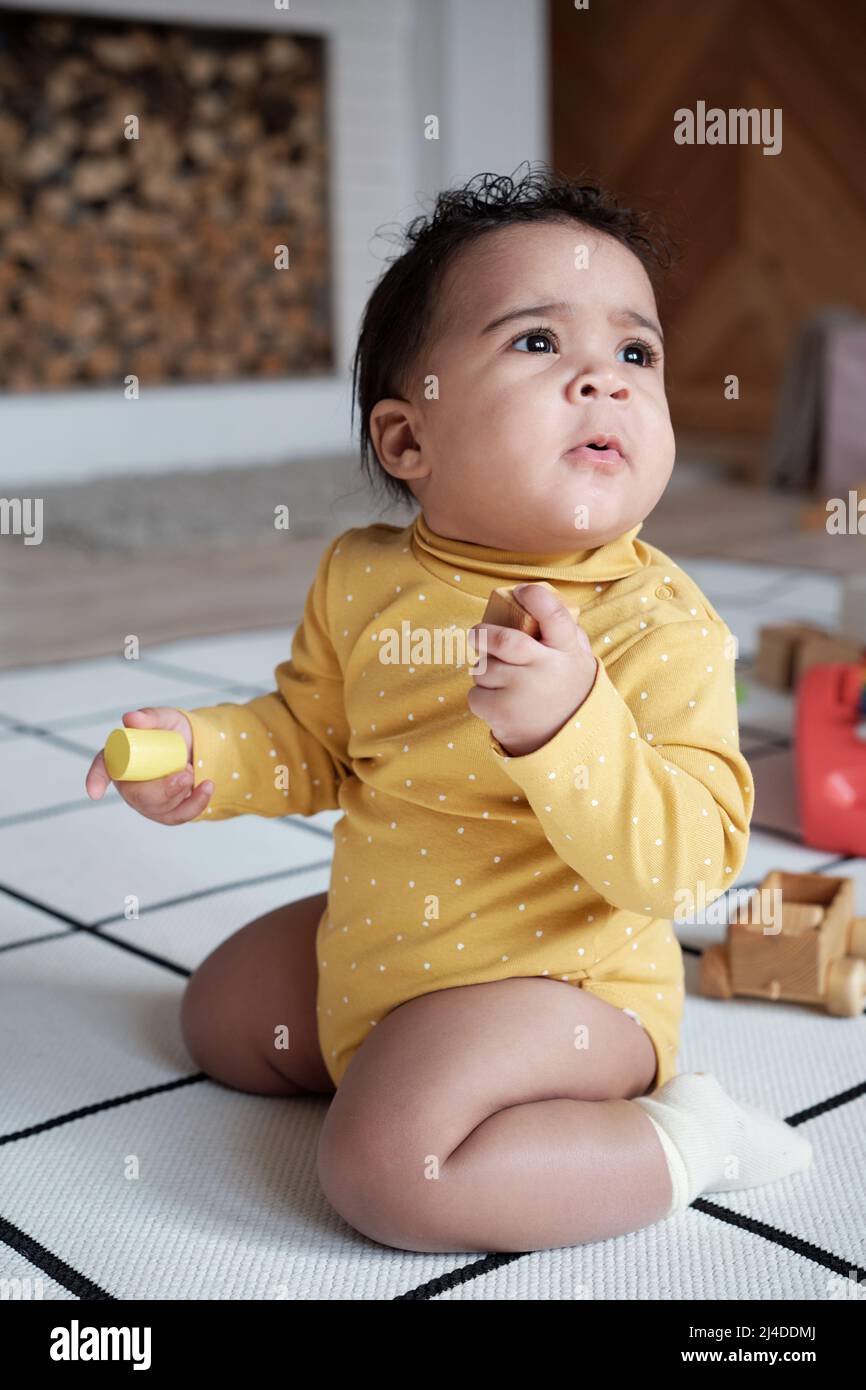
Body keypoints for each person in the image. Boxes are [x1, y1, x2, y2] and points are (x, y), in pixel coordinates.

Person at [86, 165, 812, 1254]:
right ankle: (400, 1057)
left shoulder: (659, 626)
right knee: (221, 1018)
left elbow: (691, 865)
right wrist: (207, 755)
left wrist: (571, 729)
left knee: (389, 1171)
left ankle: (682, 1137)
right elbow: (314, 739)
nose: (601, 381)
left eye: (633, 352)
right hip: (394, 944)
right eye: (535, 343)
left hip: (565, 987)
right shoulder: (362, 577)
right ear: (405, 441)